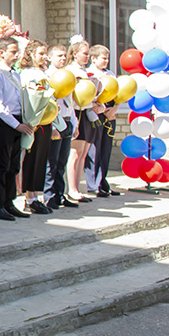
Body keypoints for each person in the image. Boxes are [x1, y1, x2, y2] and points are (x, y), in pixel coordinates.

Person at [0, 36, 35, 221]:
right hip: (6, 123)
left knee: (14, 166)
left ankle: (9, 202)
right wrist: (16, 125)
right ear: (2, 52)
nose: (16, 55)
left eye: (17, 52)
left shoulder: (15, 74)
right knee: (3, 165)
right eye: (13, 52)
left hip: (18, 121)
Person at [19, 40, 54, 214]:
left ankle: (36, 194)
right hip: (34, 121)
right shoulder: (26, 74)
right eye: (40, 53)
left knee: (41, 158)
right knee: (32, 158)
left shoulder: (44, 72)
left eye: (45, 53)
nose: (44, 57)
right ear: (31, 54)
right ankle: (29, 197)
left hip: (46, 121)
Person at [44, 44, 78, 209]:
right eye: (59, 56)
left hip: (67, 119)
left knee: (62, 160)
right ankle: (48, 195)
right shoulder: (48, 76)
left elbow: (70, 101)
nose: (63, 58)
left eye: (65, 56)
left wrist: (74, 122)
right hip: (55, 122)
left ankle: (59, 194)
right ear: (49, 57)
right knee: (52, 161)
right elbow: (49, 103)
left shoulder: (67, 76)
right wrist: (54, 125)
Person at [65, 38, 98, 203]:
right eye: (85, 53)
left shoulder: (86, 72)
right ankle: (71, 189)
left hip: (86, 112)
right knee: (75, 153)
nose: (87, 57)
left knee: (83, 152)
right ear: (75, 53)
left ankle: (77, 188)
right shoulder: (71, 71)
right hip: (76, 112)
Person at [85, 44, 120, 198]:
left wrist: (115, 109)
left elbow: (119, 93)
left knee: (106, 148)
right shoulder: (89, 74)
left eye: (107, 58)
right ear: (94, 59)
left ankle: (103, 181)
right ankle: (93, 183)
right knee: (95, 149)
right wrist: (102, 107)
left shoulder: (110, 73)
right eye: (103, 58)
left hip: (110, 114)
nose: (106, 61)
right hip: (96, 113)